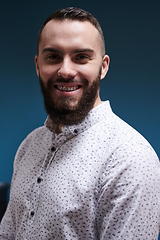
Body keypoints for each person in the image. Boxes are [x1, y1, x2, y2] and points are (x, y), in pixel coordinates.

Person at [0, 7, 160, 239]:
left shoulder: (131, 159)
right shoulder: (29, 145)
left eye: (81, 57)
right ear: (37, 65)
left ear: (103, 66)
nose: (65, 70)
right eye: (53, 57)